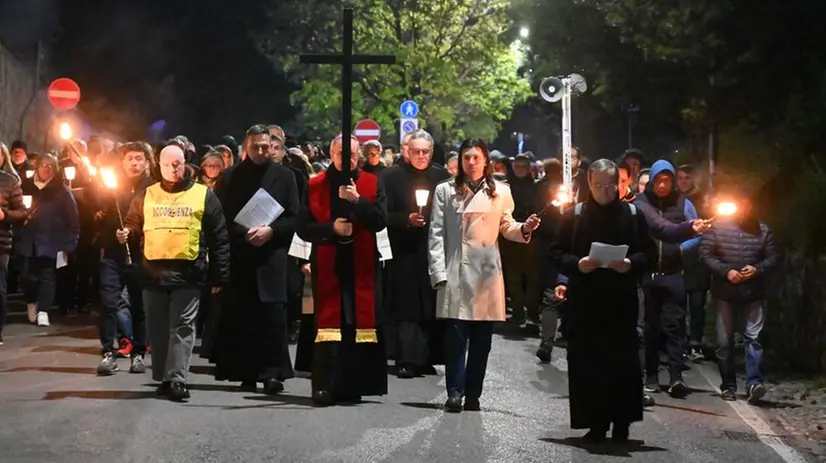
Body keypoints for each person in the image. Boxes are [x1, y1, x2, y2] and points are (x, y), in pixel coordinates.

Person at [428, 138, 541, 413]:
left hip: (487, 274)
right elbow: (436, 234)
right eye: (467, 157)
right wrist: (438, 272)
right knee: (455, 339)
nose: (471, 162)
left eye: (476, 157)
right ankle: (454, 392)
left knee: (482, 342)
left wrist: (524, 228)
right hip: (456, 269)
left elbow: (507, 226)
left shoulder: (501, 191)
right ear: (460, 161)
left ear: (486, 160)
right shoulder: (445, 190)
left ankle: (473, 394)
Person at [549, 158, 655, 443]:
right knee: (588, 366)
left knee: (623, 367)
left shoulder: (633, 215)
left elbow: (649, 254)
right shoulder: (575, 215)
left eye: (612, 186)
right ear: (589, 184)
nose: (607, 192)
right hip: (585, 304)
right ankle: (595, 425)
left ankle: (622, 425)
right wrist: (578, 264)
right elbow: (556, 252)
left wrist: (630, 264)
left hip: (621, 304)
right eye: (600, 186)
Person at [117, 144, 230, 401]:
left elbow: (219, 237)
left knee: (182, 327)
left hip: (188, 272)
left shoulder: (203, 195)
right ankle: (164, 377)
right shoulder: (147, 194)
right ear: (159, 165)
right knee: (157, 329)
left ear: (186, 163)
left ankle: (176, 379)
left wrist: (219, 276)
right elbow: (134, 224)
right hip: (153, 272)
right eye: (168, 164)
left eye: (178, 163)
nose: (174, 168)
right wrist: (127, 233)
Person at [296, 134, 388, 406]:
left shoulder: (372, 183)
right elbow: (303, 226)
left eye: (352, 155)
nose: (346, 159)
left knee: (355, 323)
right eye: (340, 154)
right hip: (329, 263)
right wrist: (330, 229)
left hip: (361, 265)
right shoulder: (314, 185)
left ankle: (354, 385)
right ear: (332, 154)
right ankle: (324, 386)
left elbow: (380, 221)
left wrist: (358, 201)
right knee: (328, 327)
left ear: (358, 156)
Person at [212, 125, 300, 394]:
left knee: (272, 318)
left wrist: (271, 231)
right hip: (242, 255)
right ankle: (245, 372)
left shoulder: (285, 176)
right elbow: (220, 218)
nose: (261, 152)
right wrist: (245, 232)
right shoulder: (229, 178)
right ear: (245, 147)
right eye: (255, 147)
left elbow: (295, 215)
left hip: (271, 256)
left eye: (265, 147)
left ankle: (273, 373)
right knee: (243, 316)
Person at [381, 129, 450, 378]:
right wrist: (406, 220)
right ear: (406, 151)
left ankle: (428, 356)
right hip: (404, 251)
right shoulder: (390, 176)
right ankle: (407, 358)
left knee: (430, 304)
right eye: (416, 151)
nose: (421, 156)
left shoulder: (441, 177)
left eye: (425, 152)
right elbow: (383, 213)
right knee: (407, 306)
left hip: (434, 249)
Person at [700, 188, 779, 403]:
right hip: (725, 293)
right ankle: (729, 385)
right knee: (724, 342)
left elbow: (773, 257)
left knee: (754, 339)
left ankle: (754, 382)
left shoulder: (762, 230)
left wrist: (757, 269)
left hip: (752, 292)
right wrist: (727, 271)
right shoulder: (718, 227)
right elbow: (705, 254)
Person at [95, 142, 156, 375]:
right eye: (129, 158)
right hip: (113, 253)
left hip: (141, 254)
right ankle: (109, 351)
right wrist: (108, 226)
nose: (134, 163)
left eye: (139, 158)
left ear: (147, 162)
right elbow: (102, 215)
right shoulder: (113, 187)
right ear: (121, 162)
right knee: (109, 302)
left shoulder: (153, 188)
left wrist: (132, 233)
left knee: (139, 305)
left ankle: (139, 352)